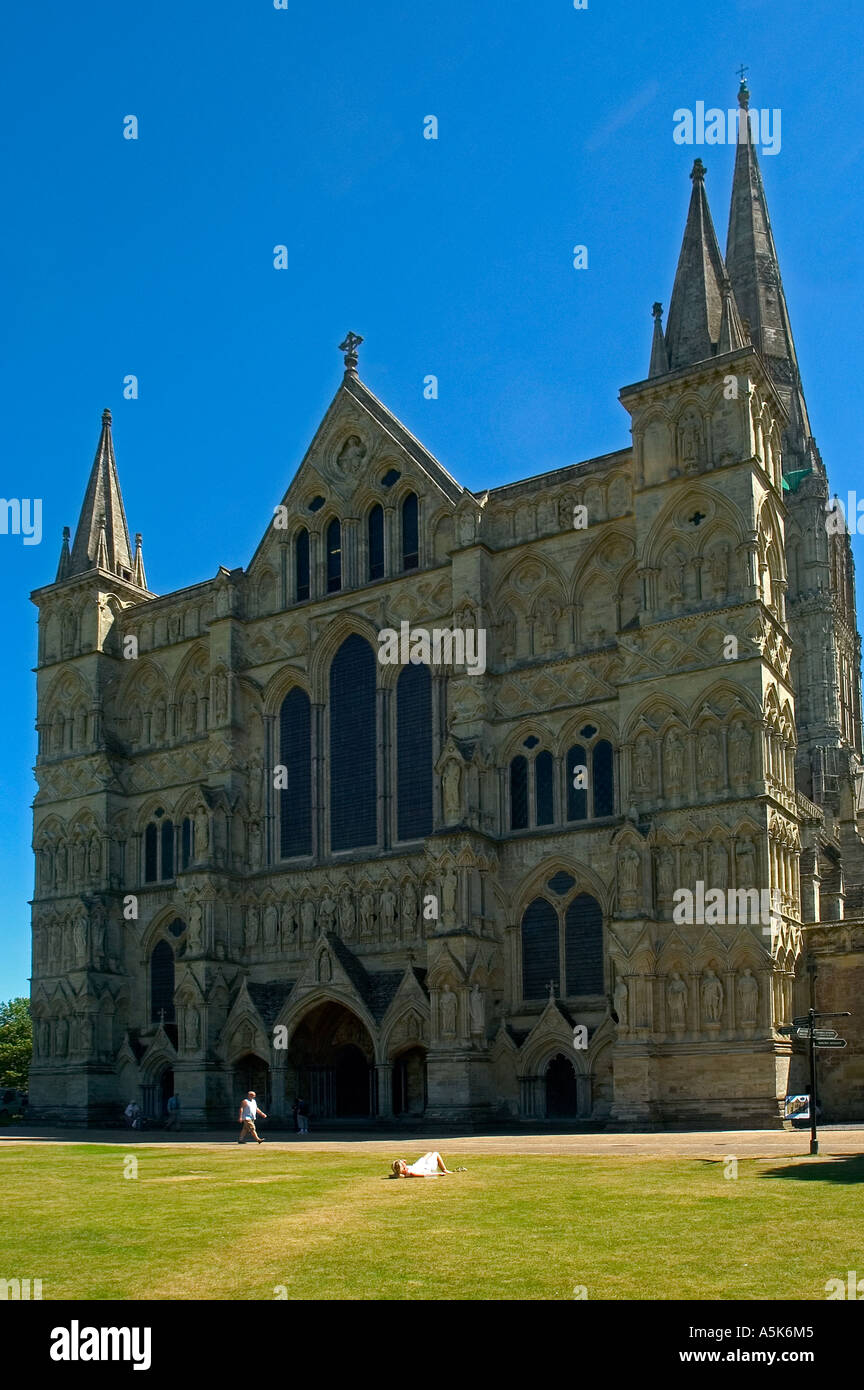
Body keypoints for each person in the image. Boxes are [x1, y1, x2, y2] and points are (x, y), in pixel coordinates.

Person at [391, 1152, 462, 1178]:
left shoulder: (400, 1173)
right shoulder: (410, 1173)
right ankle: (445, 1170)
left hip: (418, 1164)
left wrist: (402, 1162)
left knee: (429, 1153)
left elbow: (394, 1174)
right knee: (436, 1153)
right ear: (403, 1168)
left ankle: (445, 1170)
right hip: (425, 1167)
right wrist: (438, 1174)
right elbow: (425, 1175)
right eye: (404, 1165)